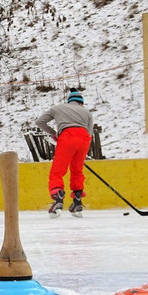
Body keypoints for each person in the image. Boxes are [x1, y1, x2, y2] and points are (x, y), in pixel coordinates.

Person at [35, 88, 94, 216]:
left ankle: (58, 197)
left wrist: (53, 133)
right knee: (77, 170)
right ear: (80, 102)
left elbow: (40, 122)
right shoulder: (87, 112)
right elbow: (90, 133)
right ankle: (77, 201)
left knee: (58, 170)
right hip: (84, 139)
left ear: (69, 101)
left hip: (67, 136)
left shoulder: (57, 108)